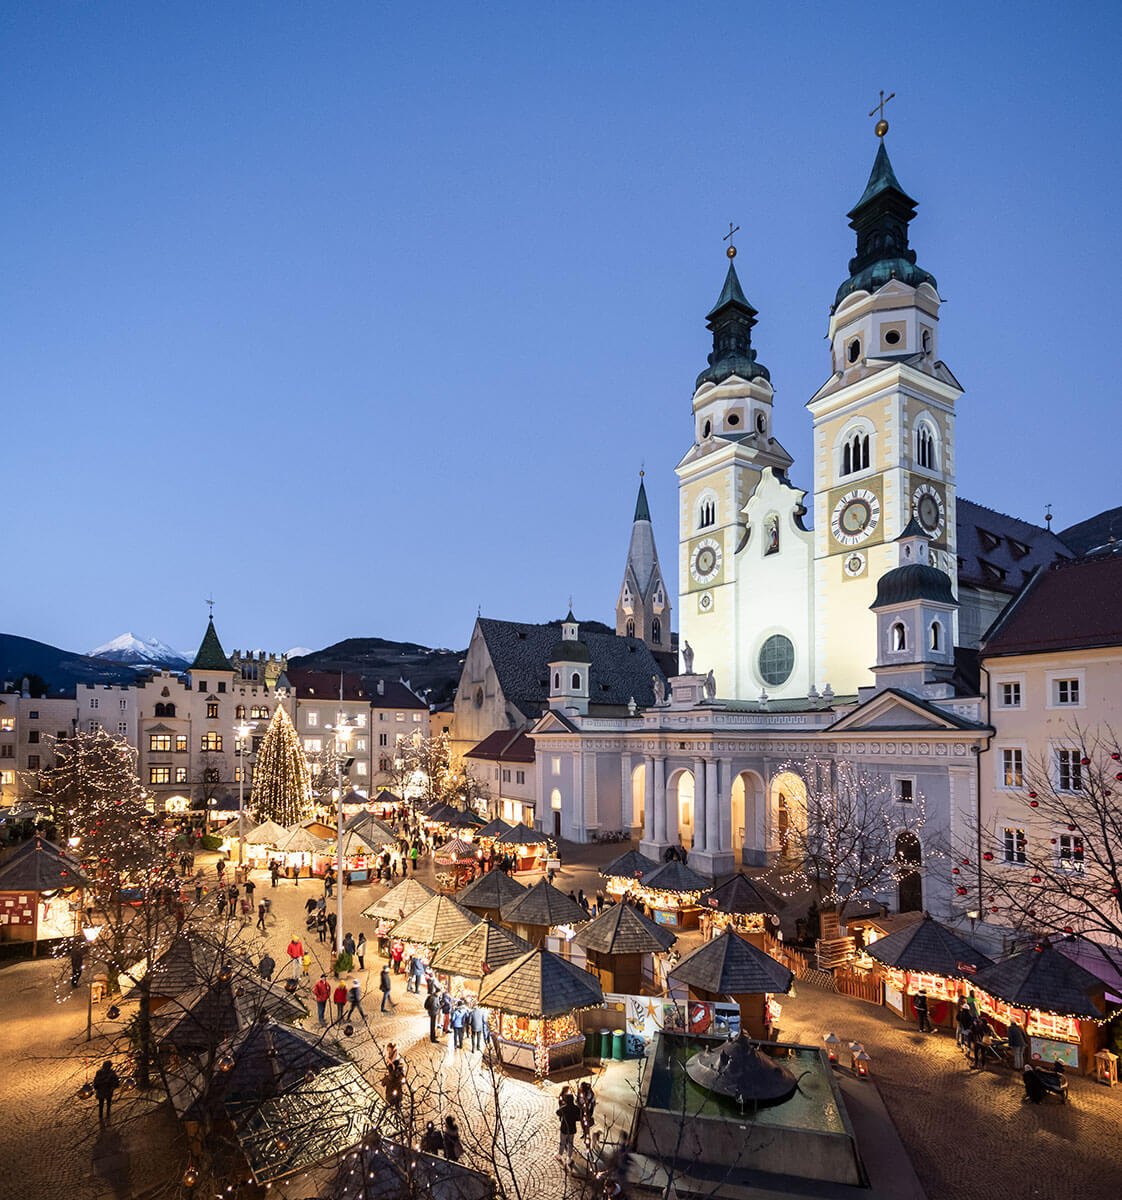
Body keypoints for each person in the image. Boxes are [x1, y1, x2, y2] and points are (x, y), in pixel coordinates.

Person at [556, 1085, 580, 1167]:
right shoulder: (576, 1108)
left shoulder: (564, 1108)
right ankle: (569, 1158)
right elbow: (579, 1117)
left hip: (564, 1128)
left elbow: (557, 1112)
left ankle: (560, 1155)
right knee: (570, 1144)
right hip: (572, 1128)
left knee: (562, 1143)